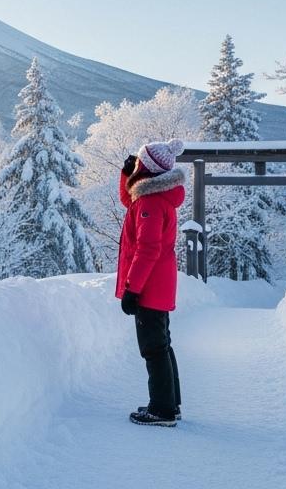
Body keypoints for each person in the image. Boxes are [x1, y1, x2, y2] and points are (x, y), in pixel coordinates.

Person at [116, 138, 187, 427]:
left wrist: (132, 289)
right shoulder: (155, 197)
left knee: (153, 348)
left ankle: (162, 410)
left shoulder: (150, 203)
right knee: (162, 345)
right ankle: (170, 404)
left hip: (149, 287)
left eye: (140, 163)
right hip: (158, 285)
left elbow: (148, 249)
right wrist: (125, 175)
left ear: (147, 169)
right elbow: (129, 200)